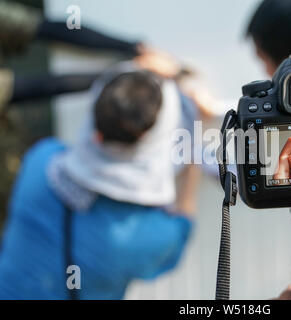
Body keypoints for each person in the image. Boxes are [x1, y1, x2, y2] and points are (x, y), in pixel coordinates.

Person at [0, 69, 199, 299]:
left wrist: (128, 90)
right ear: (153, 140)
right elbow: (183, 223)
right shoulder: (148, 237)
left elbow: (79, 158)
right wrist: (193, 162)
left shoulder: (40, 162)